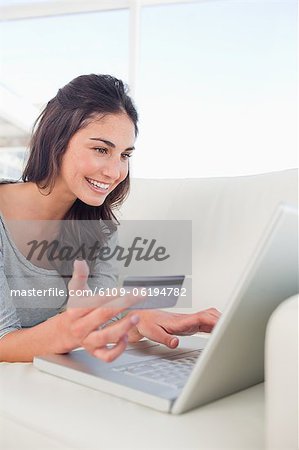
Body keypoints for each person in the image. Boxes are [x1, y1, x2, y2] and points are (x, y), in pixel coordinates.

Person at [0, 74, 220, 363]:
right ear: (57, 141)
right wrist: (68, 331)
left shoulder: (99, 231)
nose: (115, 172)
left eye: (125, 155)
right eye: (101, 150)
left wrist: (138, 320)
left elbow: (94, 322)